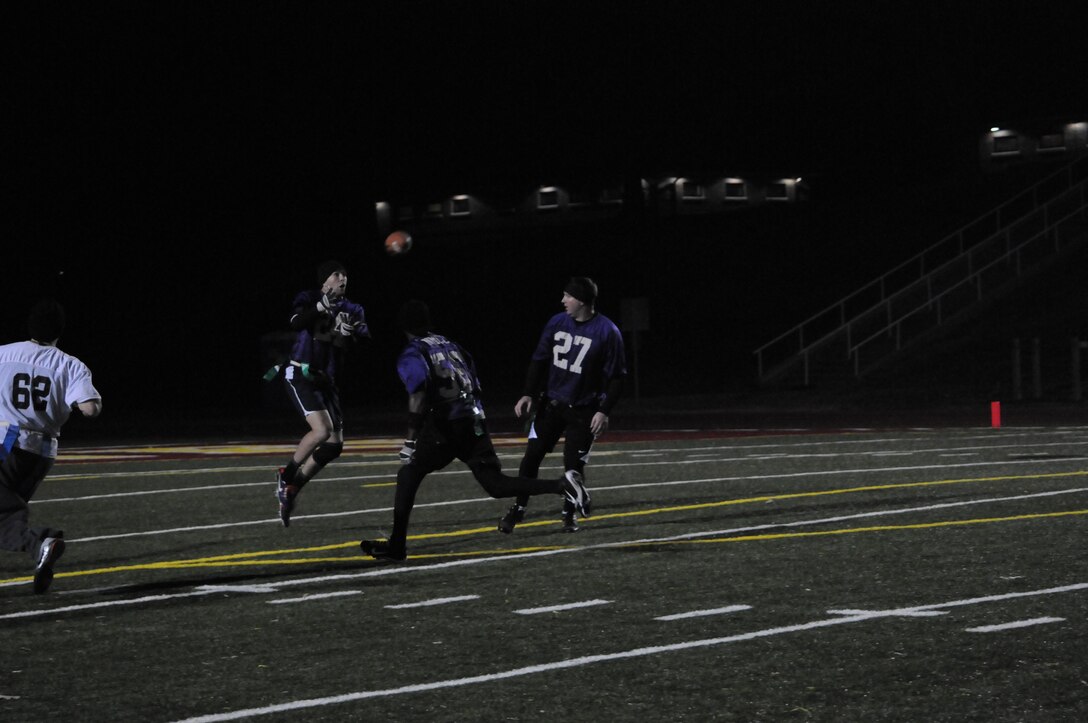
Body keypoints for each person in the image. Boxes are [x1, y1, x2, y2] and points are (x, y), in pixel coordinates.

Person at [360, 300, 590, 561]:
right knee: (495, 484)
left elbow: (418, 393)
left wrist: (411, 439)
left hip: (446, 423)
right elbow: (473, 377)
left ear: (403, 326)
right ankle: (562, 485)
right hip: (473, 417)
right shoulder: (450, 343)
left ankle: (397, 545)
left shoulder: (413, 352)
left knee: (409, 472)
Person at [500, 276, 626, 534]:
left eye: (568, 296)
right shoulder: (557, 322)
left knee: (574, 465)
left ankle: (569, 513)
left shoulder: (607, 331)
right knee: (531, 457)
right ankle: (518, 509)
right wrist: (528, 393)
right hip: (551, 405)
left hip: (584, 409)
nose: (563, 300)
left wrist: (604, 410)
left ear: (581, 301)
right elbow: (539, 359)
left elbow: (617, 377)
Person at [0, 298, 102, 594]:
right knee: (3, 517)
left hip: (7, 440)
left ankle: (39, 542)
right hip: (42, 453)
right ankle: (40, 546)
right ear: (59, 331)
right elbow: (90, 409)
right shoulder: (70, 364)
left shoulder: (5, 354)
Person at [275, 260, 371, 526]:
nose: (343, 278)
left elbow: (364, 342)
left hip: (325, 379)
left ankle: (292, 489)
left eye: (345, 274)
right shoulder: (309, 297)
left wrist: (350, 336)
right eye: (337, 273)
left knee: (333, 446)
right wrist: (320, 307)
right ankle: (287, 474)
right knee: (321, 431)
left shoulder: (353, 308)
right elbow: (295, 322)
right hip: (300, 373)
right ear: (324, 281)